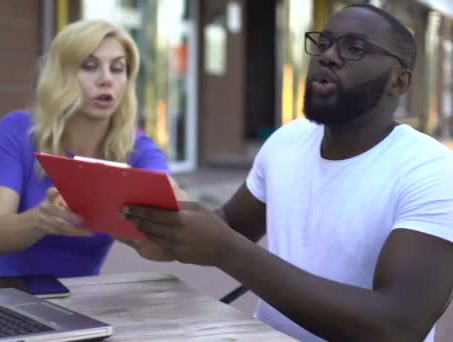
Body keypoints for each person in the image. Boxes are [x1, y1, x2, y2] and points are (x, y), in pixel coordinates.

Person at [122, 4, 453, 342]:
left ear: (399, 81)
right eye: (323, 43)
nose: (329, 56)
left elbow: (397, 325)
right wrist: (157, 229)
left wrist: (225, 249)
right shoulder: (288, 141)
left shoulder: (430, 170)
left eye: (354, 48)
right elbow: (229, 226)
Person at [0, 19, 182, 279]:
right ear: (60, 76)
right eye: (89, 66)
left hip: (78, 306)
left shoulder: (138, 151)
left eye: (118, 68)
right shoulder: (18, 130)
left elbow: (168, 240)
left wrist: (147, 223)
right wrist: (40, 219)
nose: (106, 80)